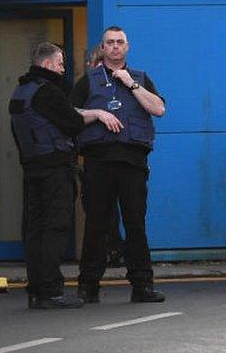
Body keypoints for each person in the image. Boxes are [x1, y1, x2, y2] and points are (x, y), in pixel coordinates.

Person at [71, 26, 166, 303]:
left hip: (133, 162)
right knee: (96, 224)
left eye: (119, 42)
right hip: (99, 162)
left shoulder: (140, 78)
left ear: (127, 47)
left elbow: (159, 108)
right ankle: (88, 286)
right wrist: (97, 113)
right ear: (102, 47)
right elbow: (70, 113)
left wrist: (131, 84)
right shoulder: (87, 81)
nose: (114, 47)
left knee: (136, 224)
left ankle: (142, 286)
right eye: (109, 42)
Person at [10, 42, 108, 309]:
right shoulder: (49, 92)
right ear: (47, 64)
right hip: (55, 169)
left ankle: (36, 290)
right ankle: (51, 291)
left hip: (31, 168)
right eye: (61, 63)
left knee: (34, 230)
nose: (63, 68)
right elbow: (73, 123)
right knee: (55, 228)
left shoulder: (21, 92)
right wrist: (97, 113)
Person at [84, 43, 126, 268]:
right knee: (99, 211)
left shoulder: (120, 85)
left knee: (109, 211)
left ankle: (113, 249)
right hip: (96, 156)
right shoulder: (88, 86)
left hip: (113, 156)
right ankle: (107, 251)